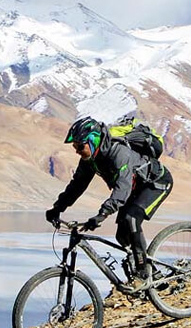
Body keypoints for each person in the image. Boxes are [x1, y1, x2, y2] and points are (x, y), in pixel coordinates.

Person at [45, 116, 173, 291]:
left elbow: (123, 188)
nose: (77, 151)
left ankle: (143, 274)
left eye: (80, 146)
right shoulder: (89, 161)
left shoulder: (118, 152)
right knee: (122, 235)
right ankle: (154, 274)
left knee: (131, 219)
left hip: (157, 183)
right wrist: (57, 208)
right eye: (75, 147)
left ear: (93, 141)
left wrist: (102, 214)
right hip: (135, 190)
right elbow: (76, 186)